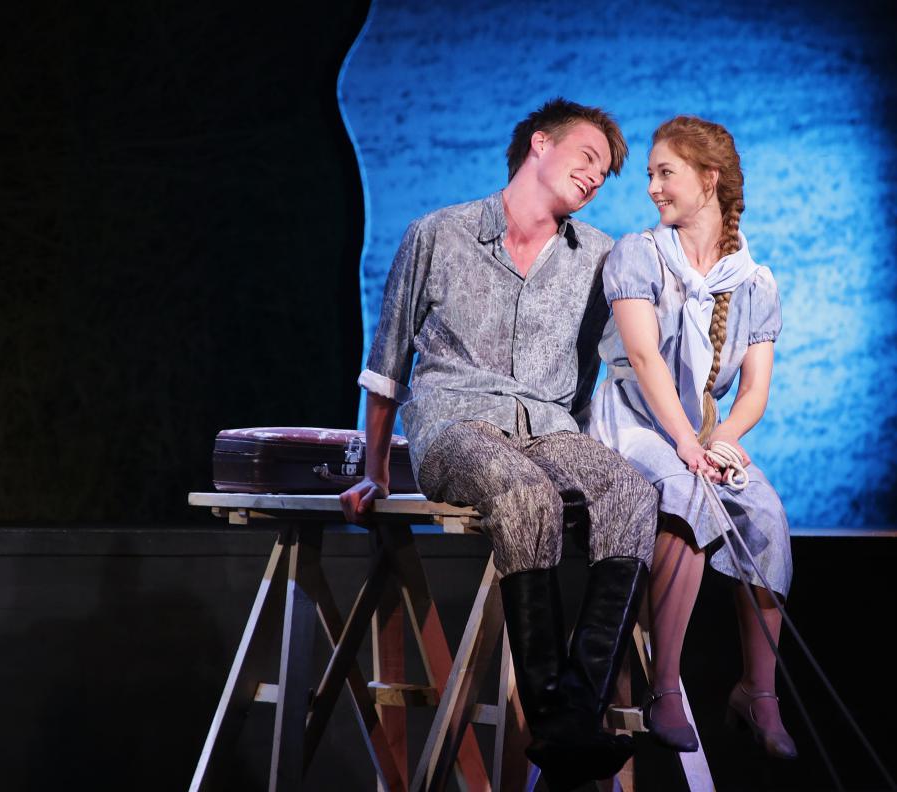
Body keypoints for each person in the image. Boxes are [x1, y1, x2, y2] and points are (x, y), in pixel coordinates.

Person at [339, 98, 657, 788]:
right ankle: (550, 720)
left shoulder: (600, 256)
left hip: (548, 429)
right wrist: (376, 472)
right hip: (457, 425)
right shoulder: (438, 233)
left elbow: (629, 361)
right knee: (523, 494)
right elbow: (386, 366)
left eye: (604, 173)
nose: (595, 177)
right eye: (588, 157)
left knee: (632, 492)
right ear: (540, 144)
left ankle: (576, 713)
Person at [583, 116, 796, 758]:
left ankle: (759, 693)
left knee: (765, 513)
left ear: (709, 179)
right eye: (650, 173)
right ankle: (665, 688)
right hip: (634, 420)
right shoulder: (638, 255)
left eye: (665, 172)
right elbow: (644, 358)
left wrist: (721, 441)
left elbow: (753, 391)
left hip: (700, 430)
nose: (652, 186)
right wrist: (685, 443)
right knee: (687, 494)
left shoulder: (754, 282)